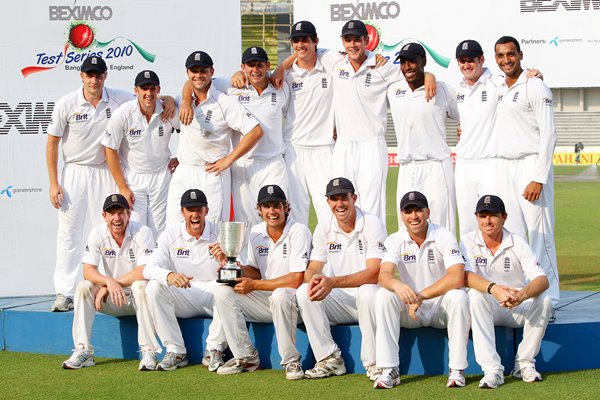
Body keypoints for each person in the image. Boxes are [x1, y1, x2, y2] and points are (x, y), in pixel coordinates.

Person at [46, 56, 174, 312]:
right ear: (81, 76)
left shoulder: (120, 98)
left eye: (99, 75)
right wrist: (53, 182)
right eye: (90, 75)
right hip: (75, 171)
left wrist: (168, 100)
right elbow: (52, 142)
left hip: (107, 171)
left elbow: (148, 98)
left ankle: (105, 287)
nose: (94, 80)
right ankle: (64, 291)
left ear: (106, 76)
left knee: (105, 231)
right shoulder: (67, 103)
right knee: (69, 232)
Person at [210, 184, 311, 379]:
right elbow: (255, 271)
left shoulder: (299, 231)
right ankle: (246, 356)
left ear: (286, 207)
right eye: (267, 207)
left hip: (295, 303)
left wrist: (255, 285)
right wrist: (232, 265)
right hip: (267, 300)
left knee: (281, 295)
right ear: (259, 210)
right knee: (221, 292)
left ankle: (291, 362)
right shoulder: (256, 232)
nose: (272, 211)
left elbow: (297, 278)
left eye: (276, 206)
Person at [374, 191, 469, 389]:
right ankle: (389, 369)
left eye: (418, 210)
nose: (414, 216)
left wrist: (422, 296)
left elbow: (457, 276)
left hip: (439, 307)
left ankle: (457, 369)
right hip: (411, 310)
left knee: (459, 296)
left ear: (428, 212)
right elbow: (384, 276)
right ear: (402, 215)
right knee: (383, 295)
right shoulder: (394, 239)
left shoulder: (443, 235)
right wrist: (398, 285)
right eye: (409, 211)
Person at [296, 177, 387, 380]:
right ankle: (330, 359)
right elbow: (312, 269)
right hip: (340, 300)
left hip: (370, 300)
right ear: (327, 202)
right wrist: (315, 280)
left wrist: (333, 282)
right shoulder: (323, 228)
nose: (340, 204)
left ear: (354, 198)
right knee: (304, 291)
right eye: (334, 199)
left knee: (367, 291)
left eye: (344, 198)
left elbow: (374, 273)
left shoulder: (372, 224)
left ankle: (374, 363)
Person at [491, 36, 559, 307]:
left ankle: (550, 297)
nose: (506, 60)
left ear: (520, 54)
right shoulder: (496, 85)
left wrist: (538, 177)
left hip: (531, 164)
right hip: (505, 165)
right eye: (500, 56)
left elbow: (549, 133)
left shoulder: (535, 85)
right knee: (515, 232)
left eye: (510, 54)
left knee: (539, 233)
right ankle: (523, 293)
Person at [61, 193, 160, 371]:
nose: (117, 218)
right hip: (111, 299)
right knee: (84, 287)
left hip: (135, 299)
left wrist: (111, 284)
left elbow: (144, 271)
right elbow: (87, 270)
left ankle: (149, 351)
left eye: (121, 212)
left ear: (129, 214)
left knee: (141, 286)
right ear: (104, 216)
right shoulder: (97, 233)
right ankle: (83, 350)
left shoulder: (143, 232)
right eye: (111, 213)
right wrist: (108, 282)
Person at [462, 195, 552, 388]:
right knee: (475, 296)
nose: (487, 221)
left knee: (544, 300)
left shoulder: (517, 242)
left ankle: (524, 363)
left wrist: (521, 296)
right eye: (483, 215)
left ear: (504, 217)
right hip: (487, 306)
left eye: (493, 215)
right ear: (476, 217)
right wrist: (494, 289)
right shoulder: (467, 241)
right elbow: (465, 276)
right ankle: (492, 370)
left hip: (515, 305)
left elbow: (542, 279)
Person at [165, 51, 264, 225]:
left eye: (203, 71)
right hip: (185, 171)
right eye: (193, 71)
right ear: (187, 72)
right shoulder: (181, 99)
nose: (198, 75)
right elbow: (152, 101)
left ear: (212, 71)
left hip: (213, 174)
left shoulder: (224, 102)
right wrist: (169, 99)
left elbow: (255, 131)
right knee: (174, 227)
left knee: (213, 229)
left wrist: (229, 160)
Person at [143, 189, 227, 371]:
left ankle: (214, 349)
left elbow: (242, 270)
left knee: (227, 289)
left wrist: (226, 260)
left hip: (213, 293)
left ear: (206, 210)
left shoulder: (221, 232)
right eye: (190, 210)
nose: (195, 215)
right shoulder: (170, 234)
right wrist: (170, 275)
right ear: (182, 212)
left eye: (199, 209)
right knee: (153, 287)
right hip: (184, 294)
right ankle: (176, 351)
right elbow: (149, 268)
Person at [387, 43, 459, 233]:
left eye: (412, 61)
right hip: (407, 167)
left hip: (436, 166)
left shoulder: (442, 90)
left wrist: (465, 131)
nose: (407, 67)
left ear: (424, 62)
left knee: (443, 226)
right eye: (403, 62)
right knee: (407, 228)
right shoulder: (393, 90)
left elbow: (468, 114)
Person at [102, 70, 179, 238]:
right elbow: (110, 148)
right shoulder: (124, 113)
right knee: (136, 232)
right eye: (144, 89)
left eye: (152, 88)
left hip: (161, 178)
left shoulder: (168, 110)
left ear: (158, 89)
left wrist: (182, 157)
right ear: (136, 90)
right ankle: (139, 265)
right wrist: (123, 187)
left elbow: (191, 131)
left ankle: (156, 265)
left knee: (160, 232)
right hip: (133, 178)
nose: (148, 93)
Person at [282, 20, 335, 225]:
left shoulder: (330, 66)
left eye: (305, 40)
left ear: (316, 42)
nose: (300, 45)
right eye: (296, 41)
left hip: (323, 148)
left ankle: (332, 257)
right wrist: (281, 67)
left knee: (328, 211)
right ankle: (300, 256)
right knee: (295, 212)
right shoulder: (286, 76)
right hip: (293, 149)